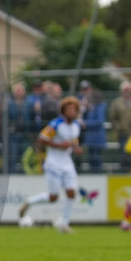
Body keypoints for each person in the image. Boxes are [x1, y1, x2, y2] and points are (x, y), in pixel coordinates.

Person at [18, 96, 83, 234]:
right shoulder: (56, 124)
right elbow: (42, 139)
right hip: (54, 163)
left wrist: (76, 148)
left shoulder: (76, 126)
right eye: (68, 109)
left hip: (67, 163)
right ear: (63, 111)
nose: (72, 111)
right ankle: (29, 202)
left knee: (72, 193)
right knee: (53, 197)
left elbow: (73, 142)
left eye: (74, 109)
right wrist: (59, 145)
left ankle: (64, 225)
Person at [109, 81, 131, 171]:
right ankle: (124, 174)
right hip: (123, 134)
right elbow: (112, 118)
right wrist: (119, 127)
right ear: (121, 91)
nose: (127, 92)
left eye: (128, 90)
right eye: (125, 90)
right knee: (123, 156)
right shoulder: (116, 103)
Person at [77, 81, 107, 173]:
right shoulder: (83, 103)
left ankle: (98, 180)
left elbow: (100, 120)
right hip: (88, 138)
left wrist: (85, 123)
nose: (85, 92)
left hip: (97, 138)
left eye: (87, 89)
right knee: (91, 161)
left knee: (96, 161)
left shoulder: (100, 105)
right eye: (83, 89)